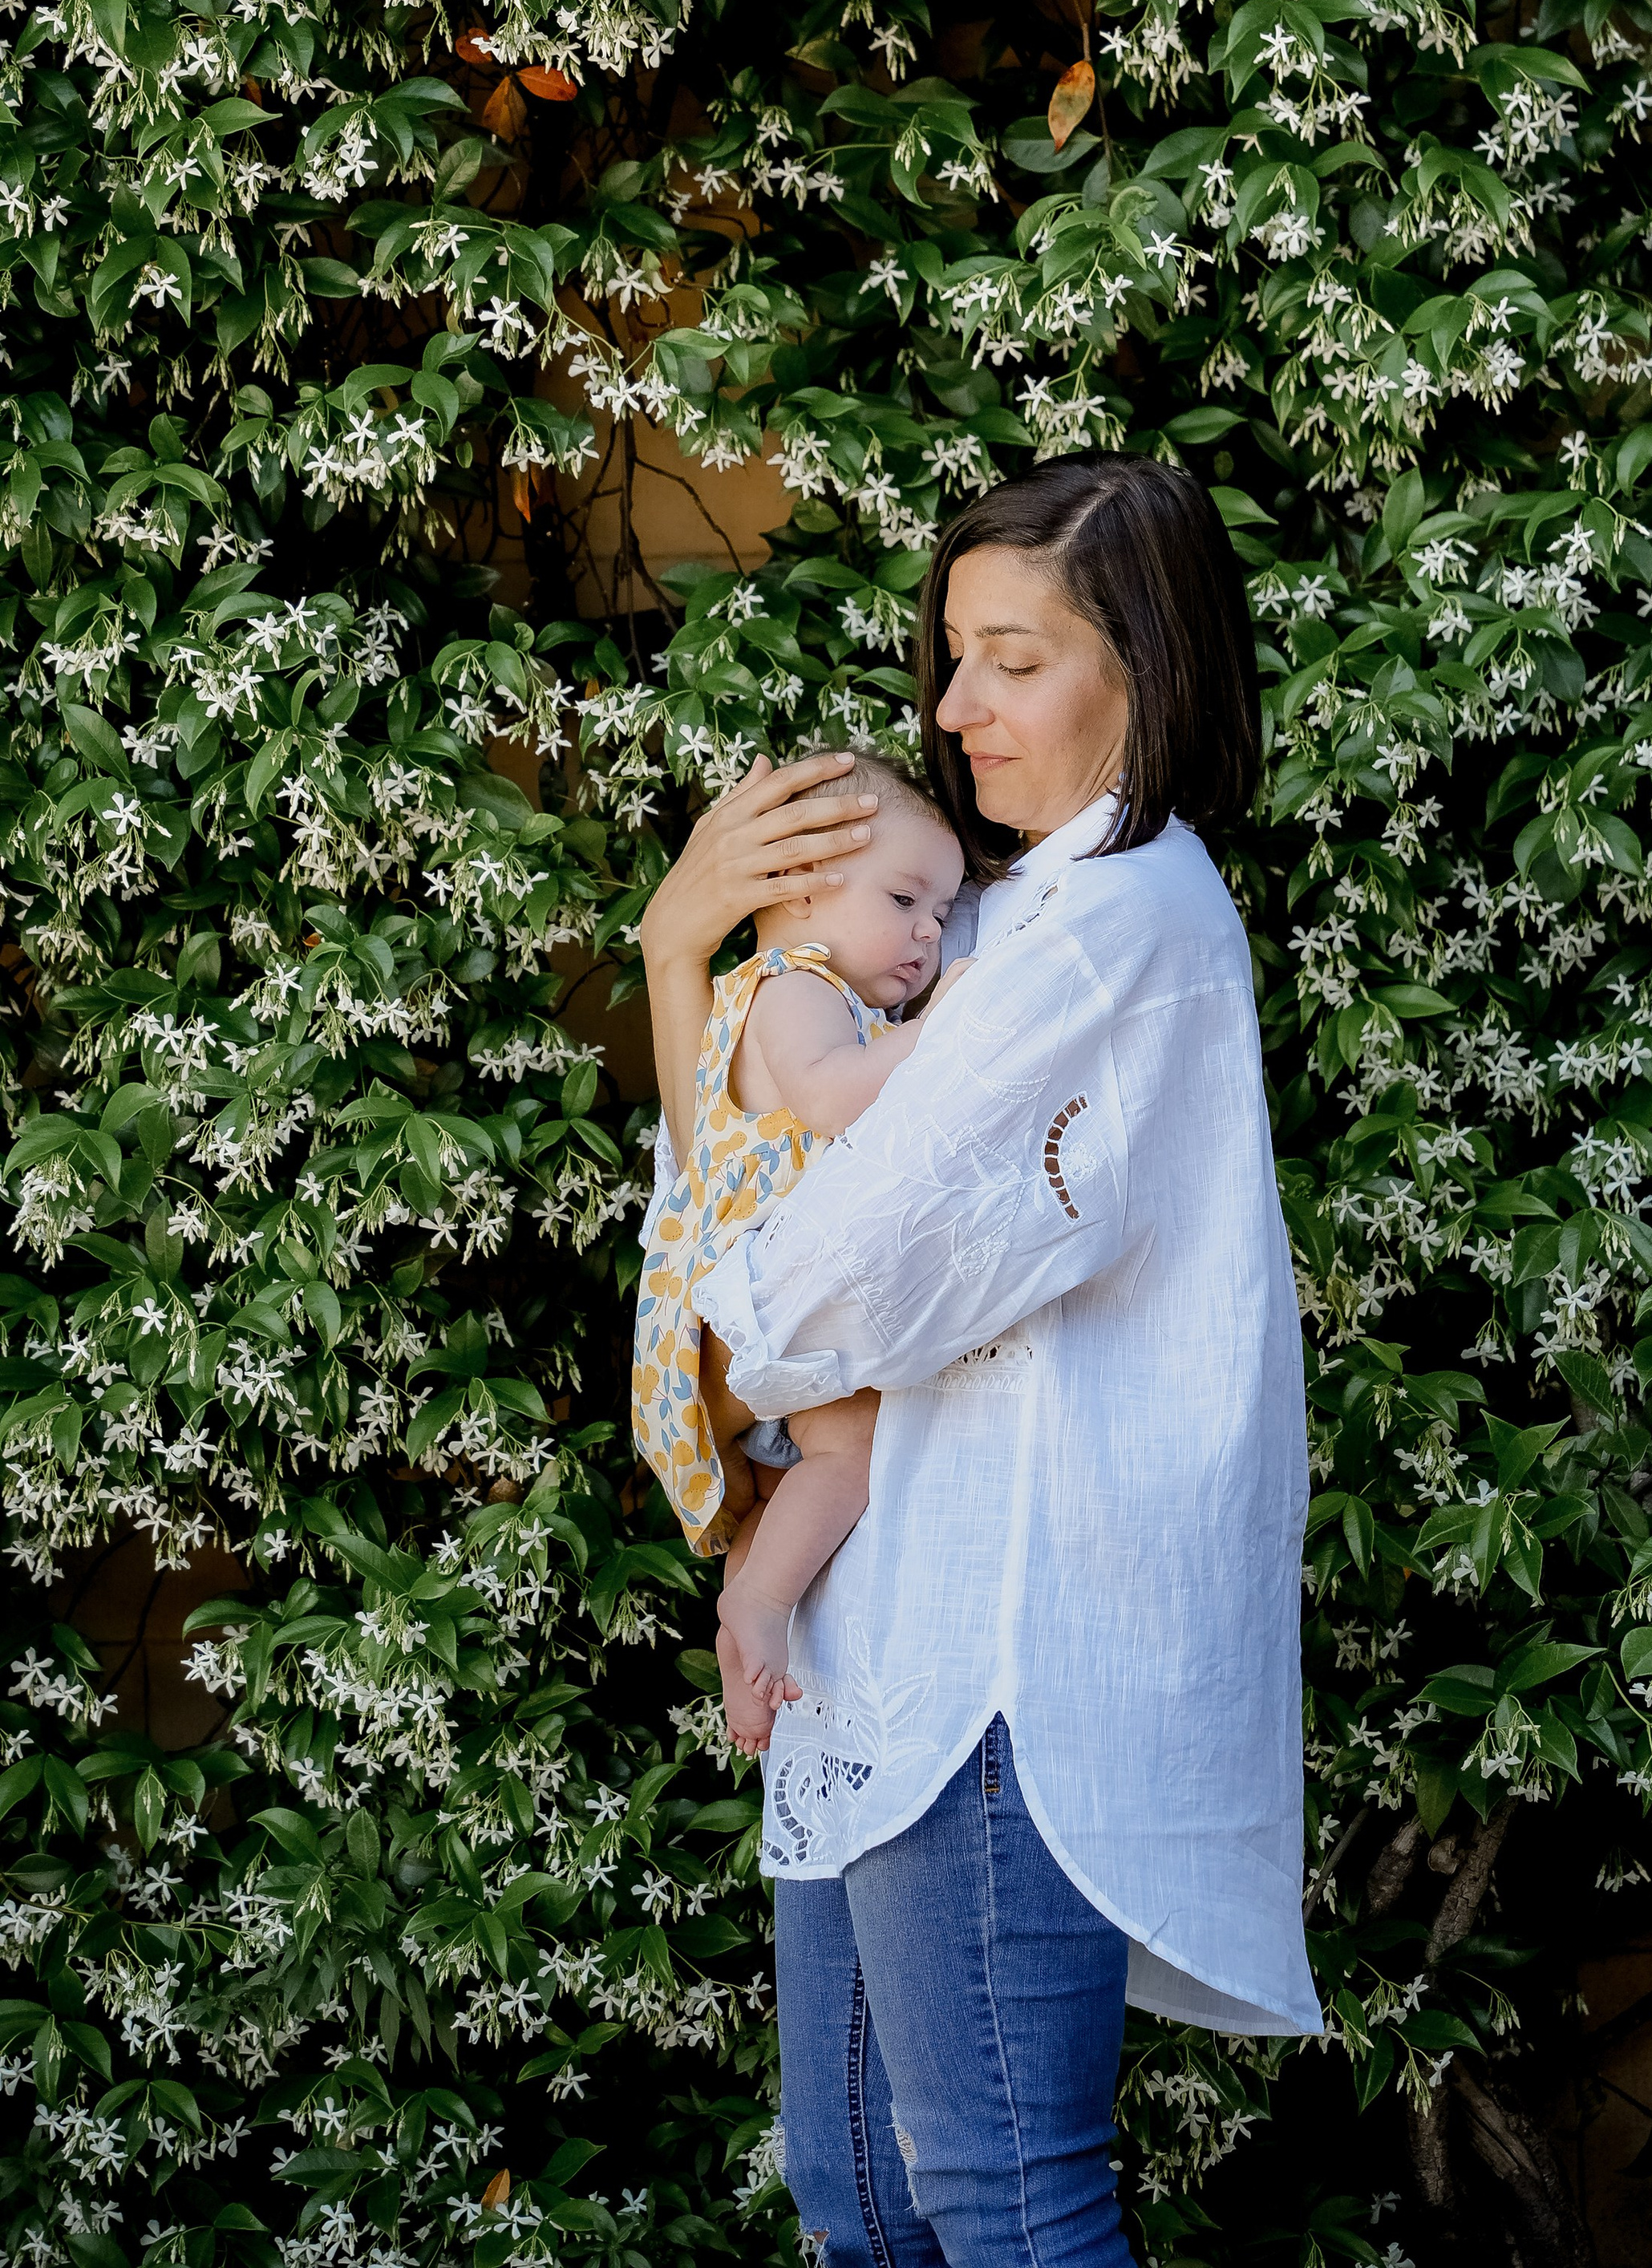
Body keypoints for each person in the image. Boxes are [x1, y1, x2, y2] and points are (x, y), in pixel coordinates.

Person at [641, 455, 1319, 2268]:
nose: (953, 708)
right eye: (951, 653)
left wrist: (678, 961)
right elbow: (750, 1224)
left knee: (1004, 2202)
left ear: (1144, 665)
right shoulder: (998, 915)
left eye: (1010, 657)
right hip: (888, 1644)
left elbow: (796, 1305)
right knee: (866, 2201)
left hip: (1004, 1656)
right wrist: (681, 948)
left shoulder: (1107, 931)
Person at [632, 758, 969, 1748]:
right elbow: (829, 1094)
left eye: (943, 915)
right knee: (853, 1452)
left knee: (779, 1500)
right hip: (758, 1311)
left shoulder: (809, 998)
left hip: (747, 1314)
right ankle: (758, 1611)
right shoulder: (791, 988)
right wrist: (940, 1035)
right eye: (904, 899)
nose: (928, 933)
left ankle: (747, 1667)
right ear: (798, 887)